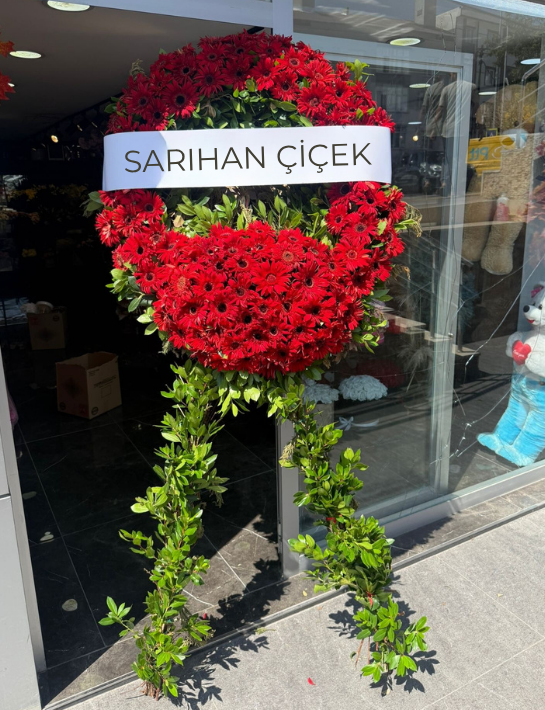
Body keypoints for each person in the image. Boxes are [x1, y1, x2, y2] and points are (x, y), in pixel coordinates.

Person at [433, 72, 480, 194]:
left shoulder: (446, 89)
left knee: (448, 158)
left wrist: (432, 127)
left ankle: (445, 184)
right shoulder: (471, 87)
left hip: (448, 129)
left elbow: (440, 109)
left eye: (451, 75)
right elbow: (476, 105)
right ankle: (458, 185)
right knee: (460, 158)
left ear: (453, 75)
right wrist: (471, 115)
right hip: (462, 129)